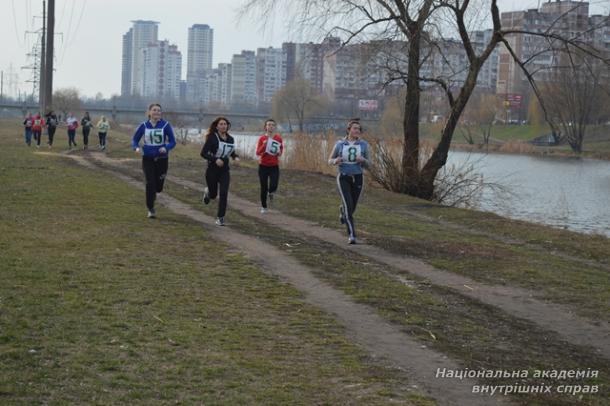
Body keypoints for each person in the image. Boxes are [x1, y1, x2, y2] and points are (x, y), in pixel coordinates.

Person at [131, 103, 177, 219]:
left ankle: (155, 192)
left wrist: (165, 147)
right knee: (150, 183)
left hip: (162, 159)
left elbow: (173, 142)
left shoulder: (165, 125)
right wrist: (136, 148)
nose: (157, 112)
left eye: (159, 110)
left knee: (158, 187)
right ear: (149, 112)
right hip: (148, 159)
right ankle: (150, 208)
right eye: (154, 110)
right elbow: (135, 140)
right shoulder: (144, 126)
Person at [328, 119, 370, 244]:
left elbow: (369, 165)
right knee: (348, 204)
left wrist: (363, 160)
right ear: (349, 130)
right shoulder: (340, 144)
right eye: (355, 128)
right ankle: (352, 235)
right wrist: (335, 161)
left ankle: (342, 211)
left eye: (359, 129)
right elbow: (329, 160)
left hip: (358, 177)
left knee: (352, 206)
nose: (357, 131)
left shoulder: (364, 145)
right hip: (343, 177)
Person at [200, 116, 239, 226]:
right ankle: (208, 192)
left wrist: (235, 157)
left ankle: (220, 217)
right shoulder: (212, 137)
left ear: (227, 126)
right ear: (216, 126)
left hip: (224, 171)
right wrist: (215, 159)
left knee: (224, 193)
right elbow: (203, 153)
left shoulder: (230, 139)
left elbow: (231, 151)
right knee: (213, 195)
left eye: (225, 124)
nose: (223, 126)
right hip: (212, 170)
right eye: (221, 124)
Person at [255, 118, 283, 213]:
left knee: (274, 185)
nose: (271, 126)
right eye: (269, 125)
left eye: (272, 125)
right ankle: (264, 207)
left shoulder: (278, 138)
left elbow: (280, 150)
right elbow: (258, 152)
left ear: (275, 127)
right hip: (263, 166)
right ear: (265, 127)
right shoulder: (262, 139)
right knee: (263, 187)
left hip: (274, 166)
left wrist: (279, 153)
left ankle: (271, 193)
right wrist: (264, 145)